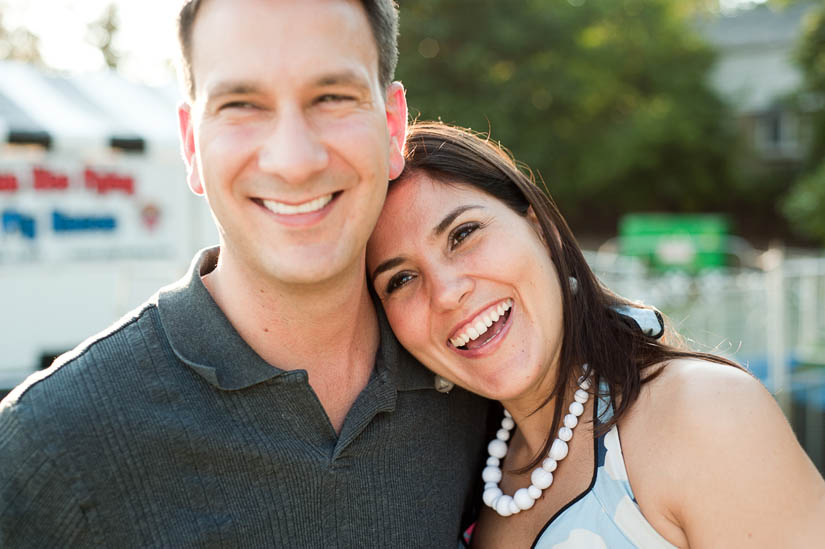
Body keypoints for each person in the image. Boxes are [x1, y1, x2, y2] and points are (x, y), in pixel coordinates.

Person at [0, 2, 491, 546]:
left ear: (392, 126)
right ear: (191, 144)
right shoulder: (52, 442)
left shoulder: (475, 381)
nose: (294, 160)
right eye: (241, 105)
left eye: (331, 97)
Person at [366, 122, 825, 548]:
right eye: (400, 280)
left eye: (463, 234)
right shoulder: (460, 474)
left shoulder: (704, 414)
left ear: (541, 230)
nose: (446, 293)